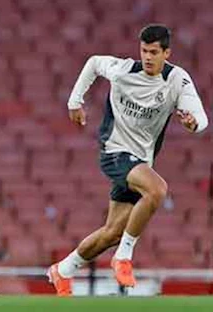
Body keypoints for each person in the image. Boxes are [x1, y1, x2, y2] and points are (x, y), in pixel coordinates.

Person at [48, 25, 208, 296]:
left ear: (166, 53)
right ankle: (123, 256)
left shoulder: (177, 80)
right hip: (114, 150)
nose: (147, 57)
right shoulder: (123, 70)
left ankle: (63, 270)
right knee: (157, 189)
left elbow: (201, 119)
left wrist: (193, 124)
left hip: (141, 162)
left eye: (154, 52)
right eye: (144, 51)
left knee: (112, 232)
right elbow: (94, 63)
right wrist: (74, 102)